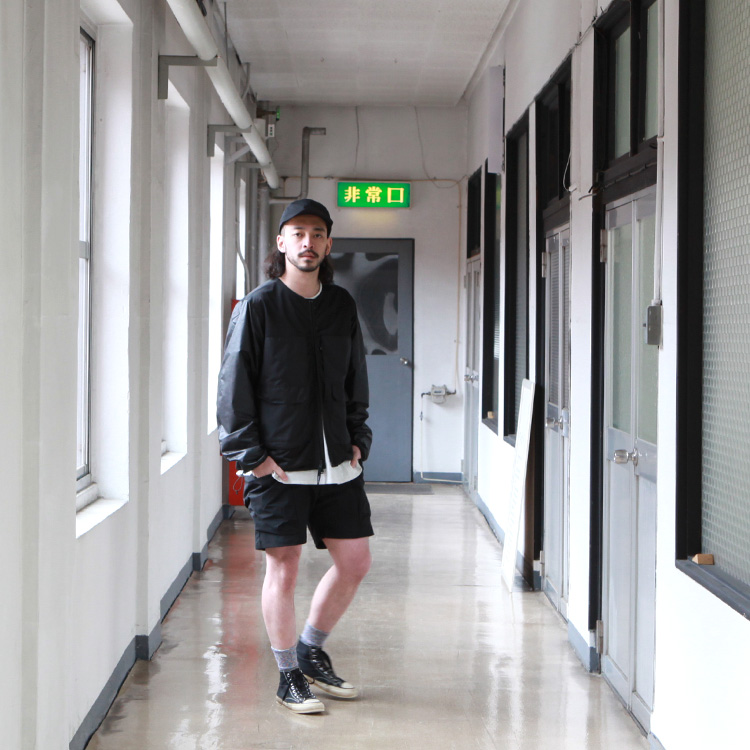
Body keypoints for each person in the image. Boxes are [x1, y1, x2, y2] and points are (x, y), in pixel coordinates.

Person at [217, 198, 373, 714]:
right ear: (282, 242)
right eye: (298, 233)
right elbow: (233, 386)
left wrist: (358, 437)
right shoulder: (258, 306)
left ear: (328, 245)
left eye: (318, 234)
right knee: (283, 570)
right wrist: (253, 456)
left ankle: (310, 649)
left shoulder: (341, 305)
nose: (308, 242)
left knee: (355, 561)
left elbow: (355, 378)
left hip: (338, 464)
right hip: (279, 466)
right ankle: (288, 675)